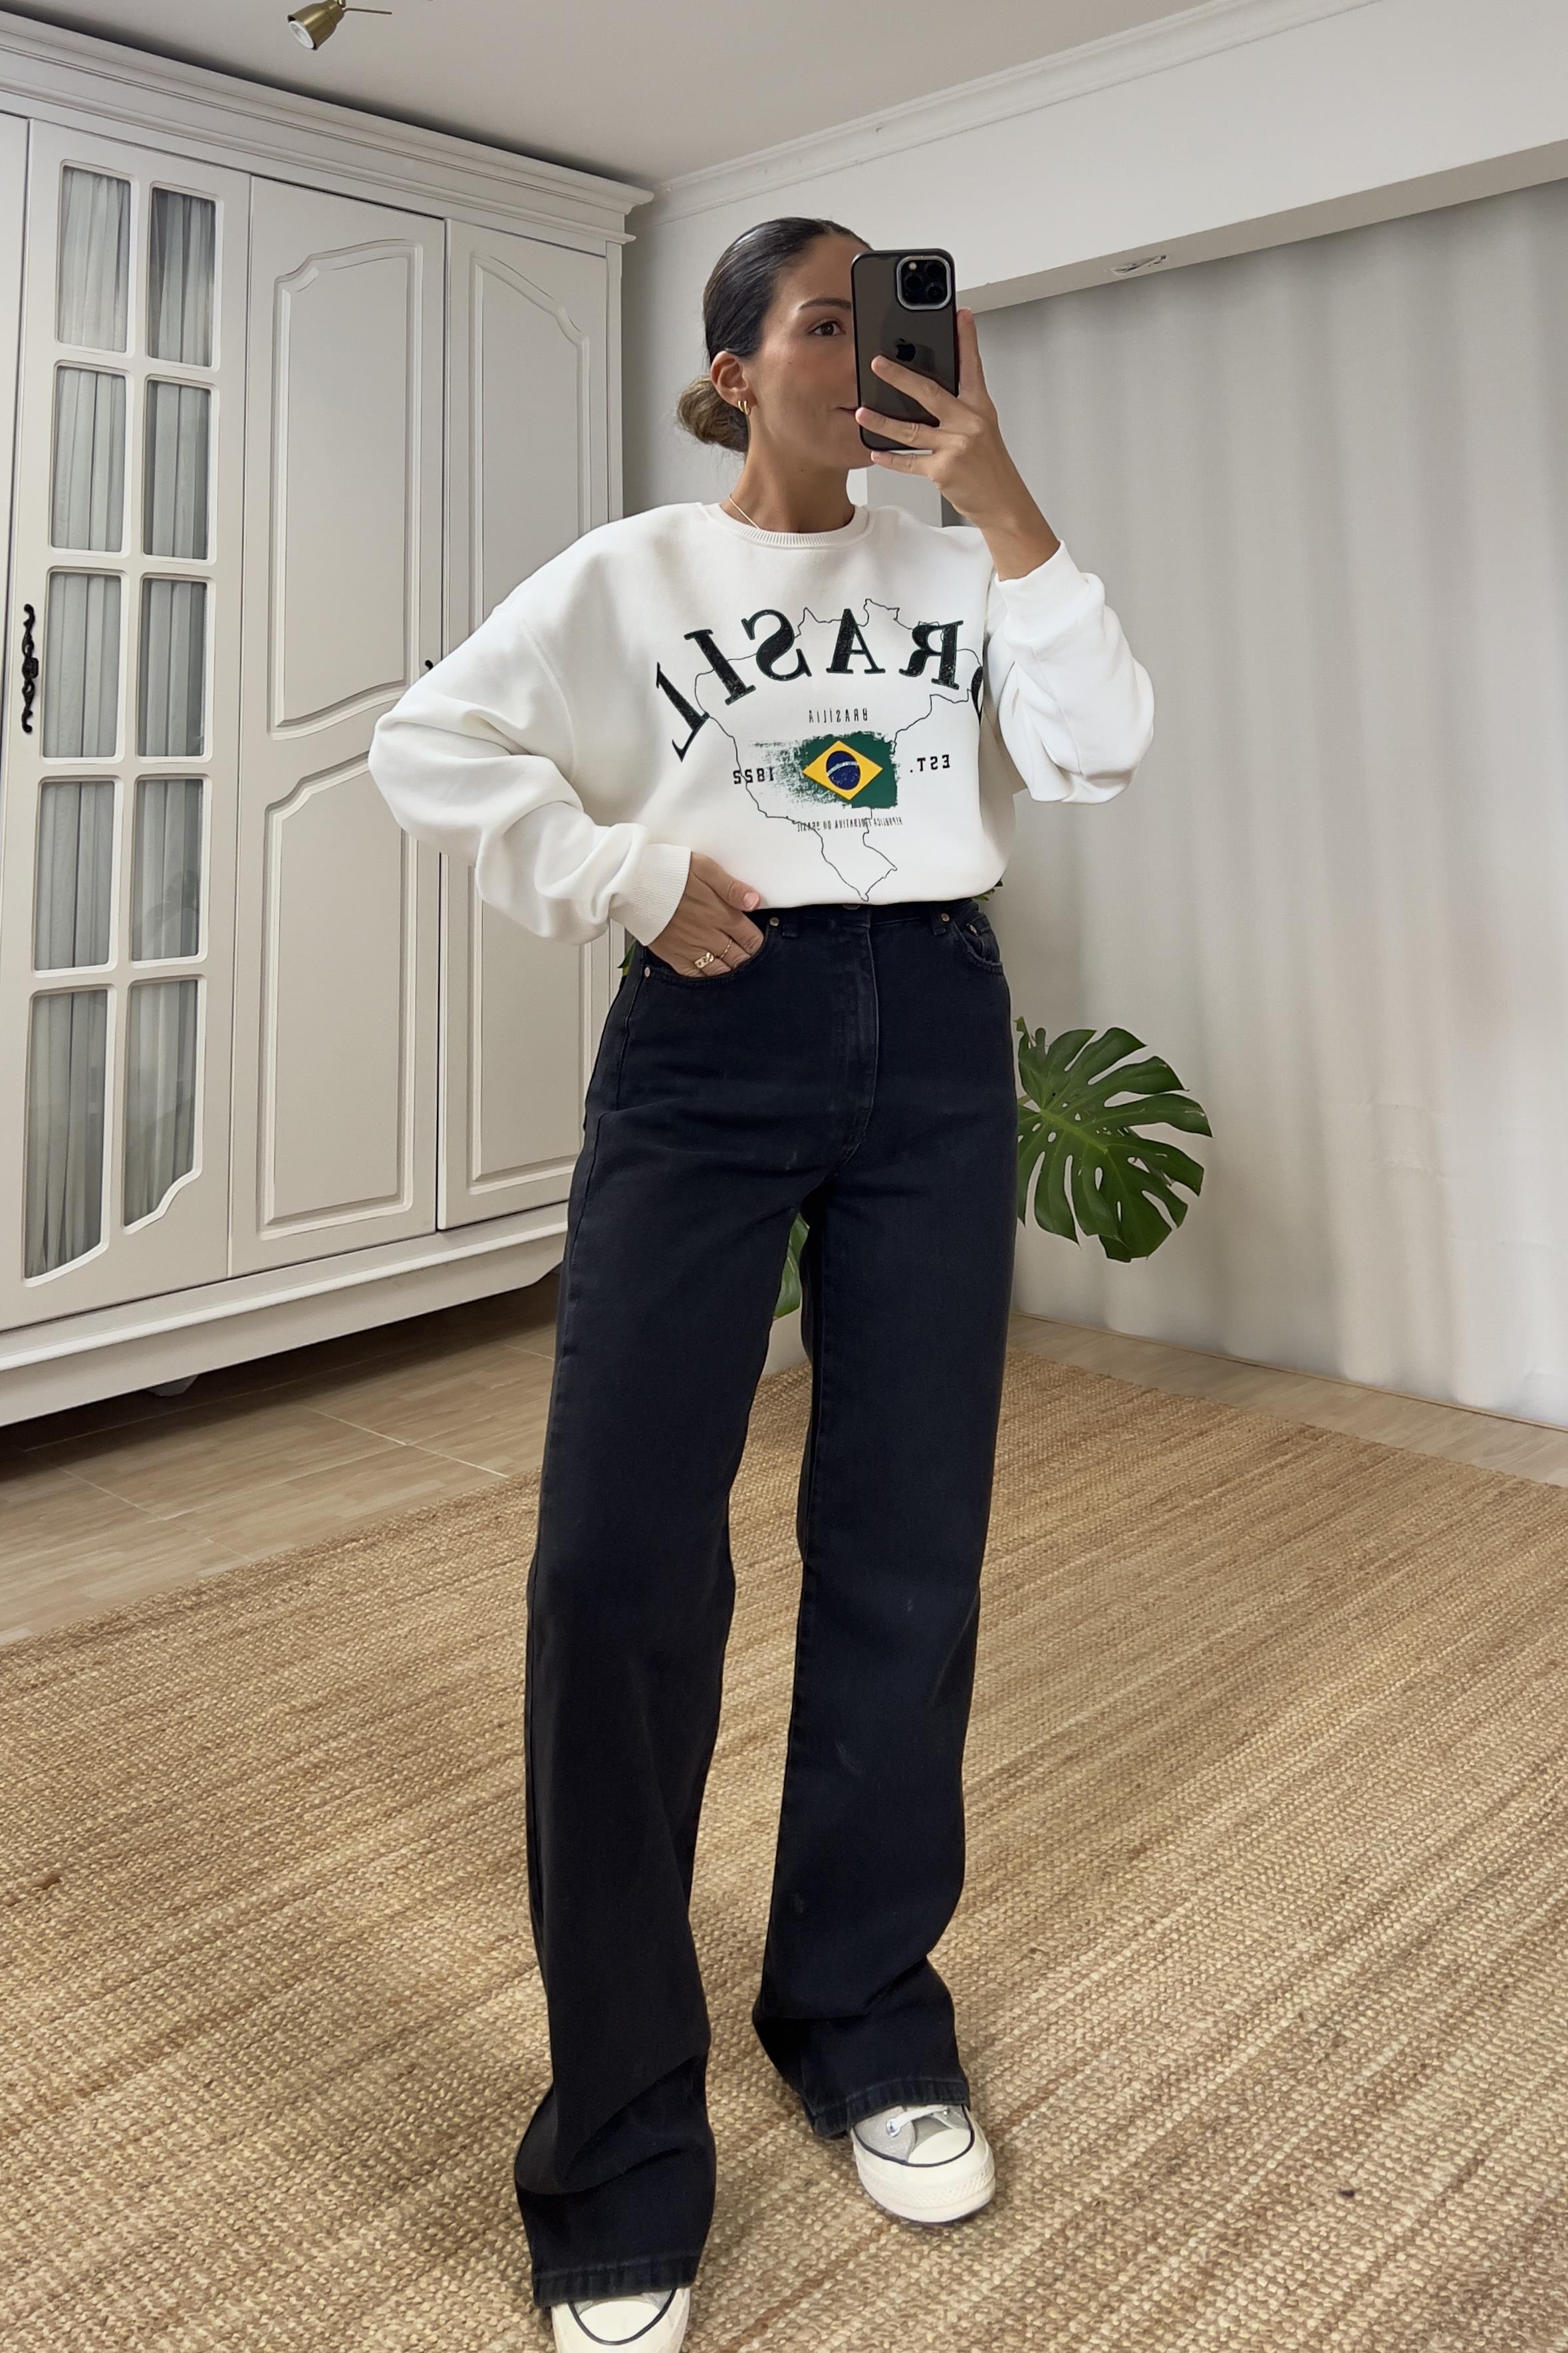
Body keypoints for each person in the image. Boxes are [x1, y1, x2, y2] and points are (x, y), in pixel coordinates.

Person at [368, 214, 1154, 2353]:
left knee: (907, 1539)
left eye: (898, 319)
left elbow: (1098, 744)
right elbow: (429, 744)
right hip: (715, 1034)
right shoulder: (633, 575)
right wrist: (621, 870)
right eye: (828, 321)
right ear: (735, 371)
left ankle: (862, 2008)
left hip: (938, 1029)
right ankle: (622, 2135)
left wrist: (1000, 494)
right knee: (618, 1563)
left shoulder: (959, 566)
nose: (872, 352)